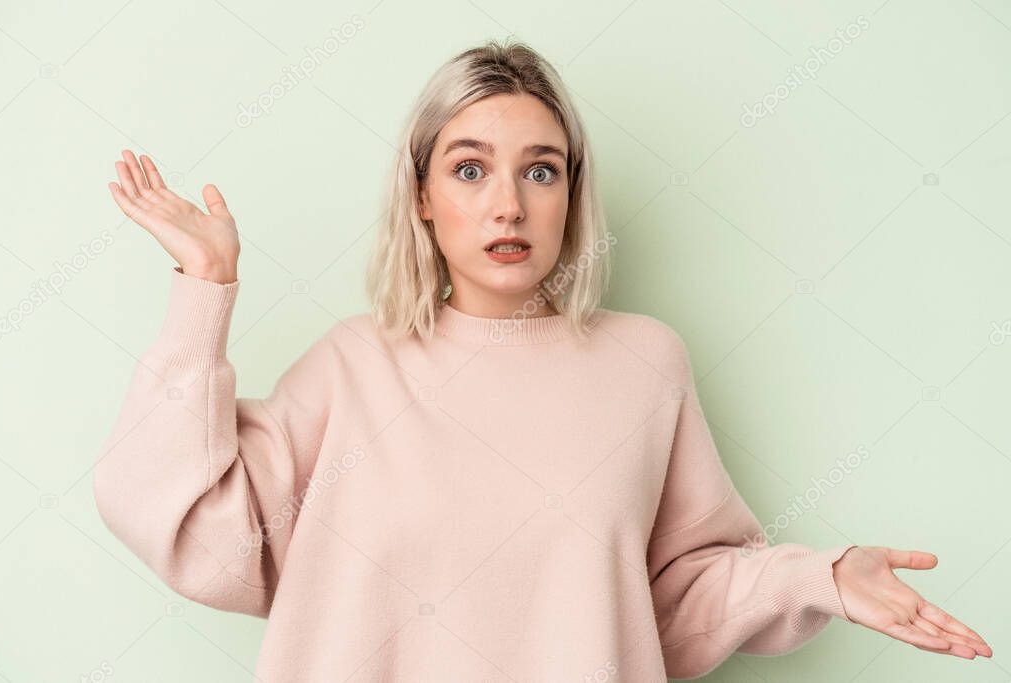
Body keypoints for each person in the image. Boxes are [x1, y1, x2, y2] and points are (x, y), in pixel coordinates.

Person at [94, 39, 991, 681]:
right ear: (423, 198)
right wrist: (205, 284)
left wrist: (822, 576)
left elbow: (670, 605)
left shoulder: (645, 364)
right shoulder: (353, 367)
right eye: (471, 169)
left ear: (573, 193)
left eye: (542, 170)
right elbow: (203, 538)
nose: (509, 206)